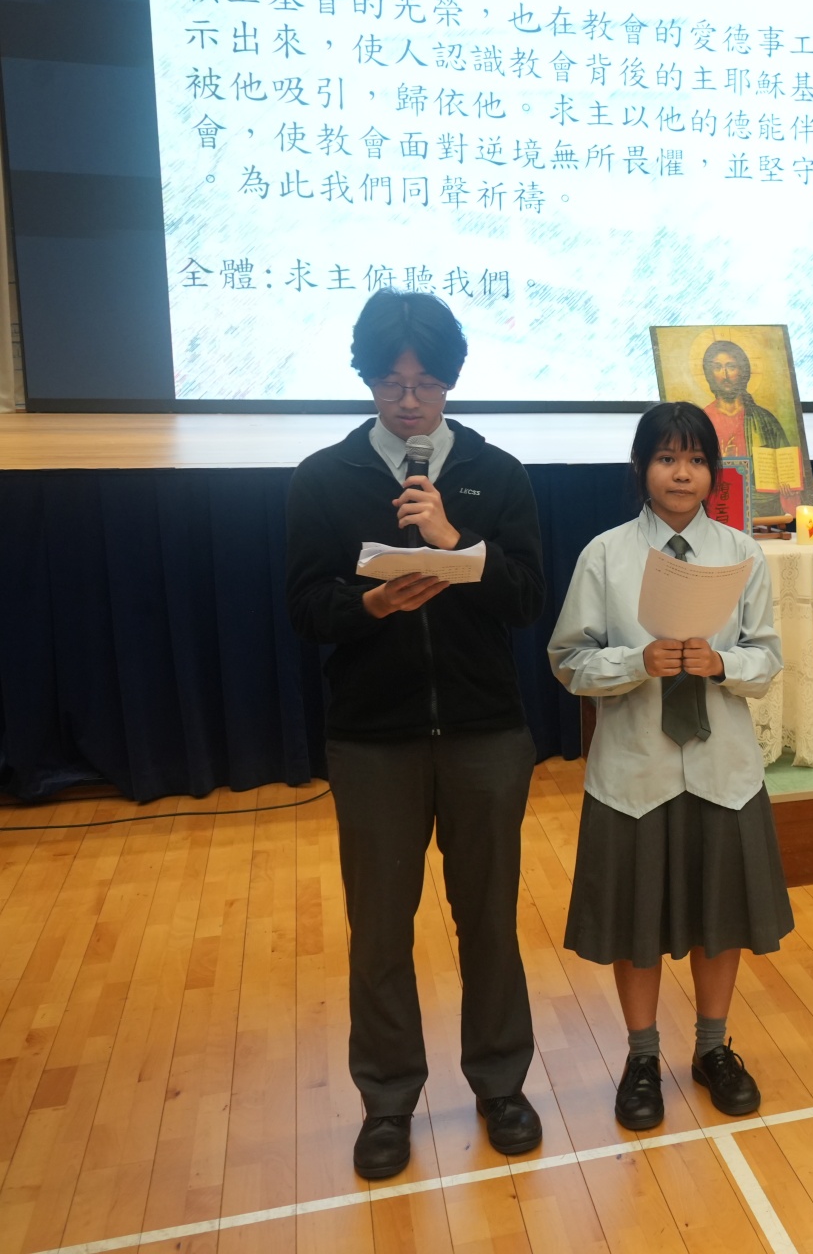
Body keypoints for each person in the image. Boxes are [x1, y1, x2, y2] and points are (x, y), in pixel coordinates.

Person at [284, 289, 545, 1180]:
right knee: (380, 930)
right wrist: (371, 605)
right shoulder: (324, 478)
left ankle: (501, 1085)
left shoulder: (496, 474)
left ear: (450, 382)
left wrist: (453, 540)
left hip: (484, 732)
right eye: (391, 383)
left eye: (427, 383)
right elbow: (304, 607)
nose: (408, 401)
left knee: (490, 920)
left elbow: (525, 598)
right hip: (374, 739)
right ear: (365, 378)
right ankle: (389, 1101)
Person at [550, 402, 792, 1129]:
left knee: (722, 918)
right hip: (636, 773)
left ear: (713, 472)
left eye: (694, 459)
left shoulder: (742, 553)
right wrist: (635, 662)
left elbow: (767, 659)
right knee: (638, 922)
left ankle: (714, 1048)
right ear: (641, 468)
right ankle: (642, 1057)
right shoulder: (605, 554)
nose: (680, 473)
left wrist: (724, 663)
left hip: (723, 769)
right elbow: (568, 660)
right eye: (665, 458)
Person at [701, 339, 797, 518]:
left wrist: (789, 486)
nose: (725, 375)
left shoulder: (765, 420)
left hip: (764, 511)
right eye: (717, 367)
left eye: (731, 366)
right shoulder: (701, 421)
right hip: (716, 508)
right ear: (709, 373)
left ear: (743, 371)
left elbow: (788, 471)